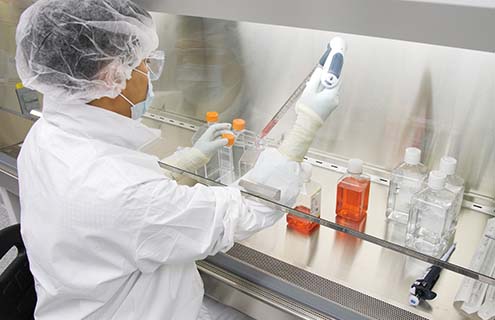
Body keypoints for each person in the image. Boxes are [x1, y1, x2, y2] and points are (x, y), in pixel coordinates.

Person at [15, 0, 342, 319]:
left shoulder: (45, 135)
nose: (150, 74)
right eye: (144, 63)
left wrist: (191, 157)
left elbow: (124, 204)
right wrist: (307, 123)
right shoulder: (123, 194)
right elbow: (242, 210)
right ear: (110, 78)